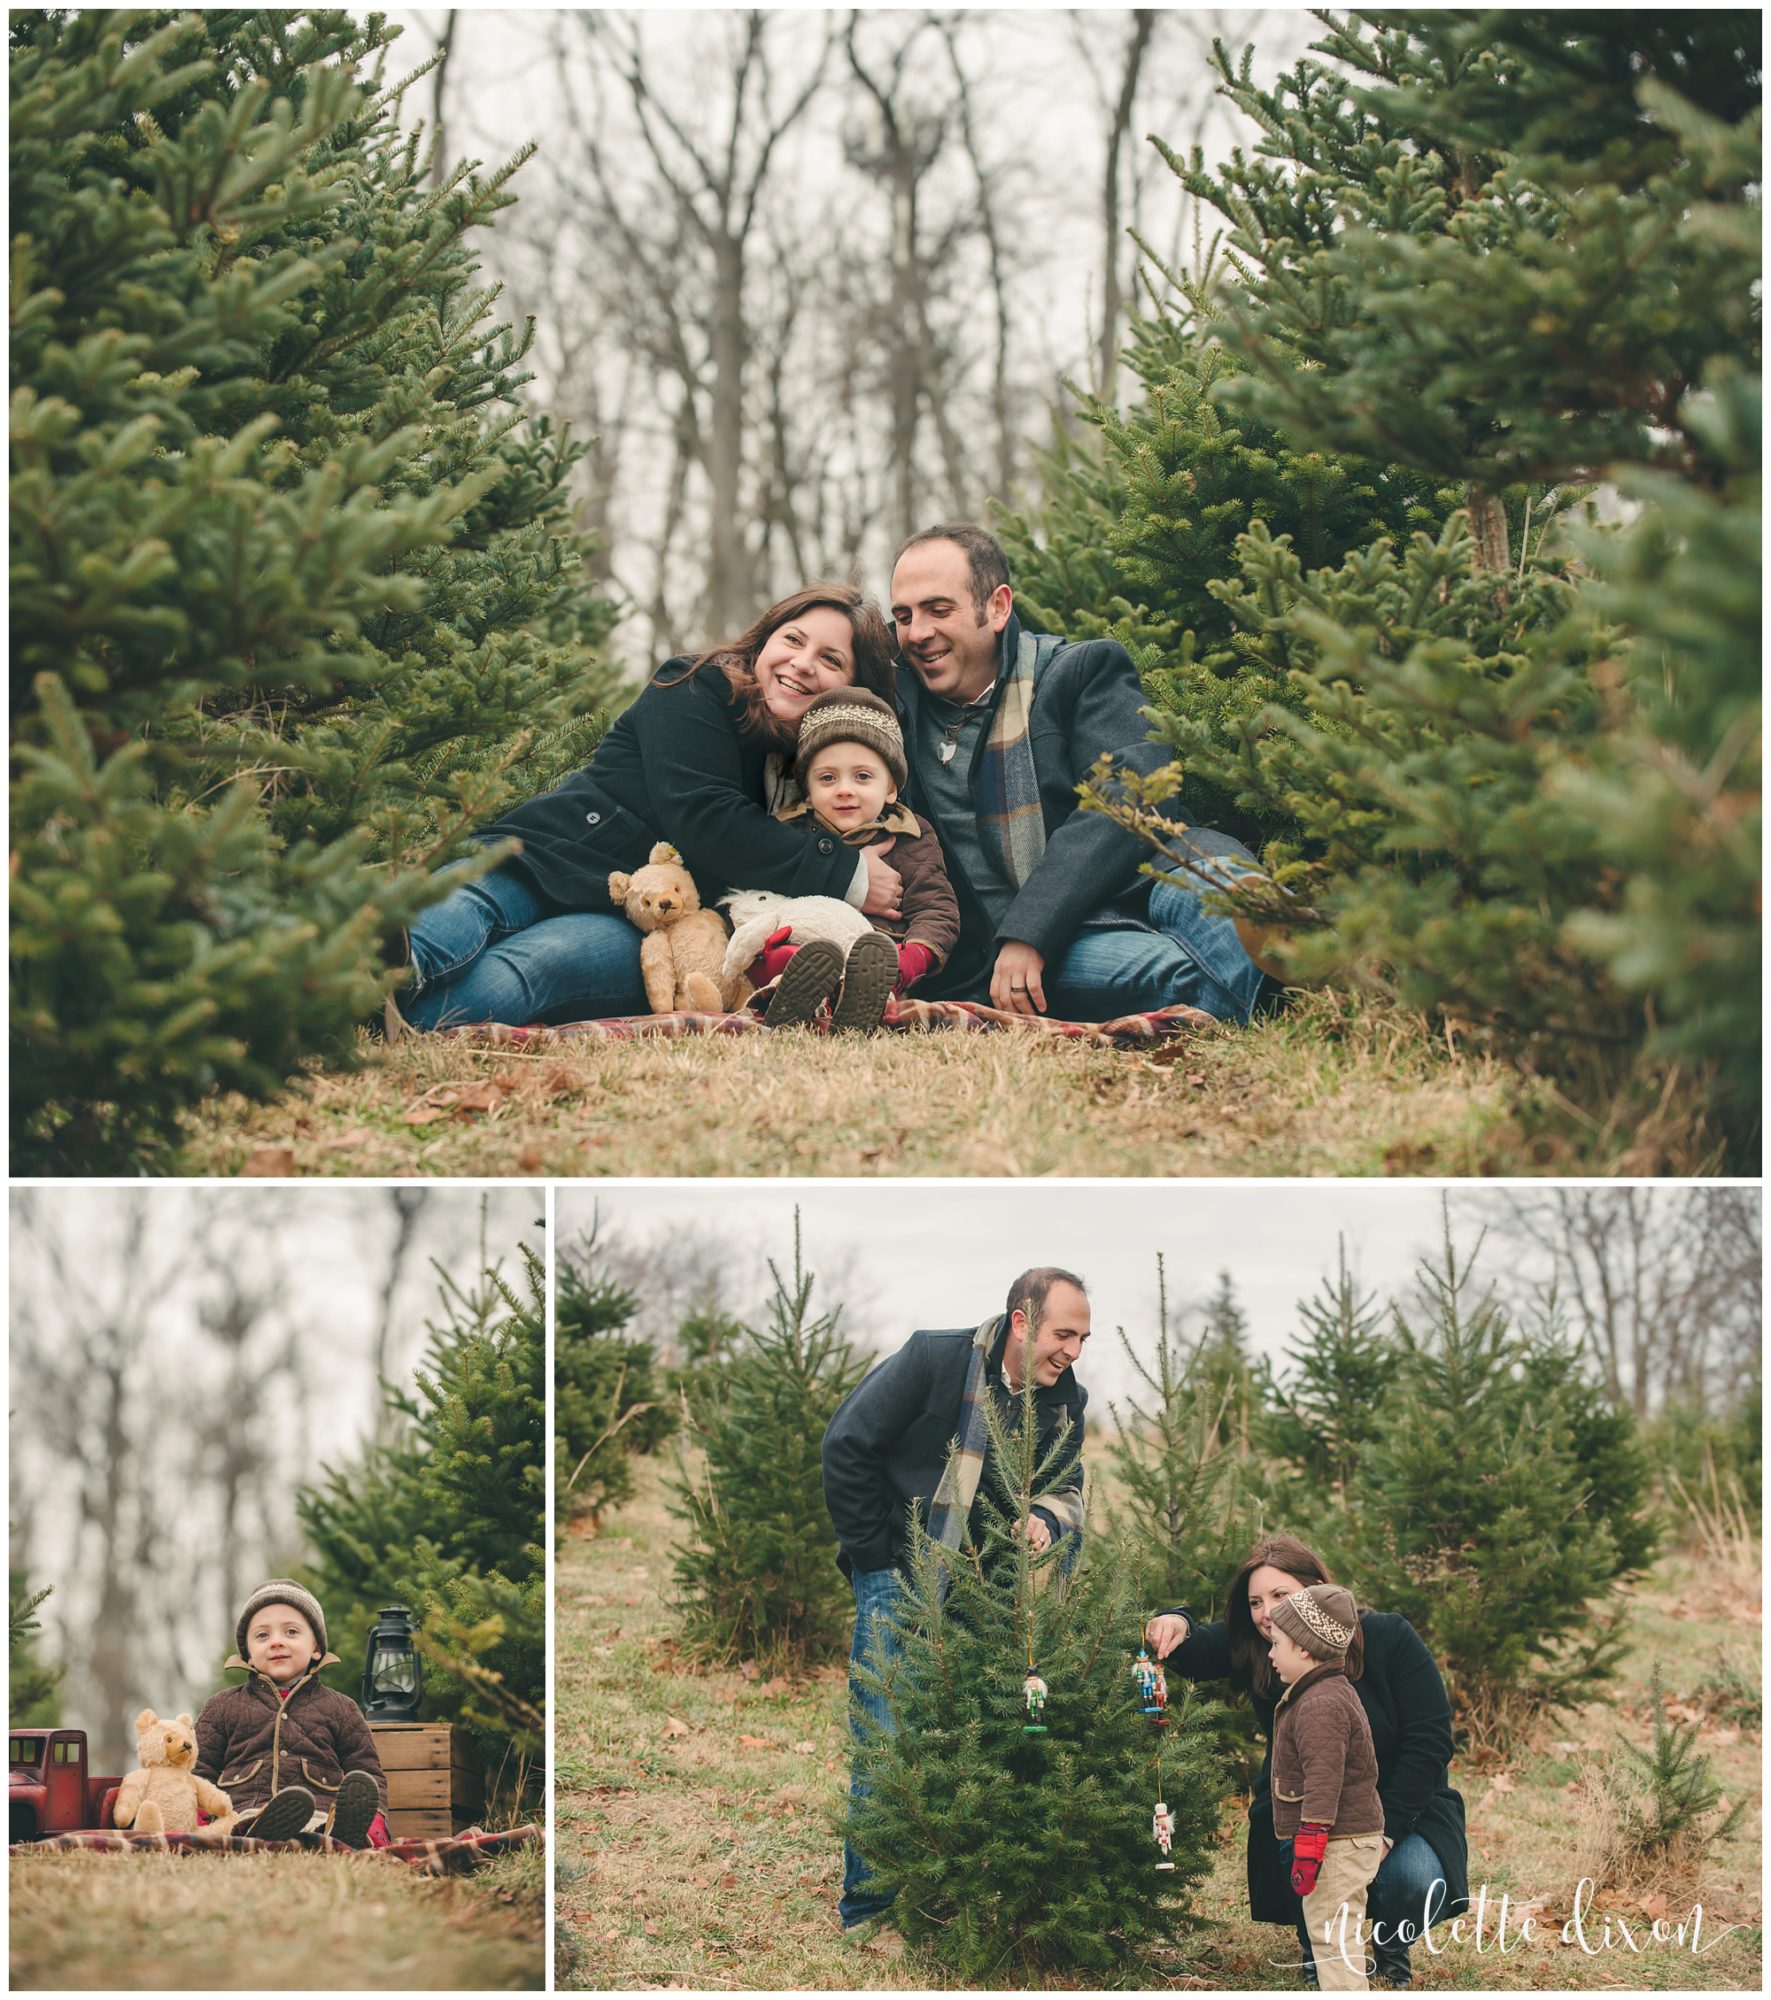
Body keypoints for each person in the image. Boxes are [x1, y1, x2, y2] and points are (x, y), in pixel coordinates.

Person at [393, 584, 899, 1029]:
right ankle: (357, 983)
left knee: (537, 965)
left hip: (649, 925)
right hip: (554, 853)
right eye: (792, 639)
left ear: (854, 689)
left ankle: (400, 1024)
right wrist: (848, 873)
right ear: (764, 641)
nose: (802, 663)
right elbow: (706, 817)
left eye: (831, 659)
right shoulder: (695, 686)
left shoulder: (827, 773)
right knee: (473, 901)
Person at [888, 523, 1285, 1022]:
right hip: (1052, 947)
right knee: (1177, 975)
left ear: (997, 607)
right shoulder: (889, 703)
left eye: (938, 610)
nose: (917, 633)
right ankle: (1308, 1007)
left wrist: (1032, 925)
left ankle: (1335, 968)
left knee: (1238, 904)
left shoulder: (1076, 673)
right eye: (903, 615)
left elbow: (1130, 795)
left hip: (1148, 876)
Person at [821, 1267, 1091, 1930]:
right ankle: (868, 1907)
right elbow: (847, 1445)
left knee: (962, 1738)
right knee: (888, 1735)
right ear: (1022, 1323)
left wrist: (1046, 1519)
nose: (1074, 1351)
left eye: (1084, 1338)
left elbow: (1066, 1483)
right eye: (1063, 1334)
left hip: (989, 1592)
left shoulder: (1063, 1400)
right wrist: (875, 1560)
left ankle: (940, 1888)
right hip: (901, 1575)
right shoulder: (935, 1360)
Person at [1146, 1536, 1468, 1990]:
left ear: (1319, 1588)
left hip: (1401, 1806)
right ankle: (1319, 1947)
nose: (1266, 1612)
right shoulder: (1261, 1645)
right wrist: (1174, 1620)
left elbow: (1430, 1742)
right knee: (1303, 1861)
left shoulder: (1388, 1637)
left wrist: (1387, 1833)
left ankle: (1389, 1941)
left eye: (1281, 1595)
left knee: (1411, 1878)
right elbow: (1191, 1649)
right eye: (1256, 1601)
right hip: (1301, 1805)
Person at [747, 688, 961, 1029]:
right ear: (808, 790)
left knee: (874, 964)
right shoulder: (789, 833)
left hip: (877, 957)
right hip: (800, 948)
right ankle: (793, 993)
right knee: (776, 946)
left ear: (890, 788)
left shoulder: (907, 836)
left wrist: (905, 963)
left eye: (862, 776)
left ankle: (864, 994)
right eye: (828, 778)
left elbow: (936, 910)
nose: (844, 789)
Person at [193, 1579, 390, 1846]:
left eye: (291, 1632)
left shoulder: (341, 1708)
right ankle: (259, 1835)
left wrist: (374, 1824)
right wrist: (199, 1822)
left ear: (316, 1648)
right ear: (248, 1653)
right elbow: (199, 1771)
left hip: (319, 1816)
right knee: (238, 1826)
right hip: (243, 1815)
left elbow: (366, 1771)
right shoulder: (222, 1706)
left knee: (325, 1825)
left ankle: (343, 1836)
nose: (276, 1642)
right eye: (262, 1635)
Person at [1267, 1583, 1387, 1992]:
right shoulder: (1321, 1693)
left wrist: (1311, 1840)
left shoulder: (1321, 1703)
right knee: (1335, 1926)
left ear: (1303, 1647)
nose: (1269, 1654)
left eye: (1276, 1643)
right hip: (1343, 1838)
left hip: (1337, 1840)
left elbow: (1324, 1778)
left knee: (1332, 1932)